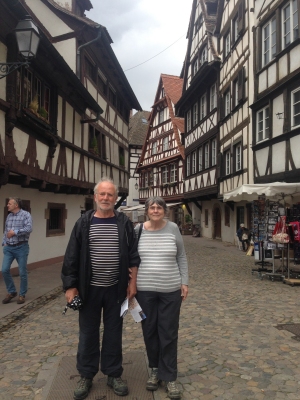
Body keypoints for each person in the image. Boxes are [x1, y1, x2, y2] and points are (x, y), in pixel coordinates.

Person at [61, 177, 139, 400]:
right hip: (89, 290)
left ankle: (113, 373)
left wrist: (132, 284)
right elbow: (71, 258)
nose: (106, 198)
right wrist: (70, 287)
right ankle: (86, 374)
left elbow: (133, 255)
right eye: (102, 194)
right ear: (95, 197)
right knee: (88, 333)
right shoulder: (83, 223)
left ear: (115, 198)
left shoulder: (124, 224)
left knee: (114, 333)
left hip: (117, 289)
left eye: (110, 195)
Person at [135, 196, 188, 400]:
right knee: (149, 331)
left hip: (170, 290)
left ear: (164, 210)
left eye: (159, 207)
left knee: (168, 332)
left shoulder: (173, 228)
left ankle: (170, 376)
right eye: (152, 207)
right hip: (144, 291)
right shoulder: (138, 230)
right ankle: (155, 369)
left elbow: (181, 256)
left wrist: (185, 282)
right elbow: (131, 259)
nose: (155, 210)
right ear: (147, 210)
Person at [2, 197, 32, 305]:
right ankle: (12, 291)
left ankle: (22, 294)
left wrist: (15, 232)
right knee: (4, 270)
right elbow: (6, 231)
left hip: (21, 247)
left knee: (22, 272)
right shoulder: (9, 216)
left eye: (9, 203)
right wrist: (4, 243)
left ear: (16, 205)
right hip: (9, 248)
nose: (7, 205)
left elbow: (29, 229)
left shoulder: (26, 215)